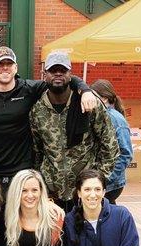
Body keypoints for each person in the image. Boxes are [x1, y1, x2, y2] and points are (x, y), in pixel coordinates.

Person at [0, 46, 97, 194]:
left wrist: (85, 90)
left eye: (9, 64)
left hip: (22, 171)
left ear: (16, 67)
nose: (5, 68)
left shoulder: (29, 89)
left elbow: (61, 79)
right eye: (0, 64)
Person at [30, 51, 119, 212]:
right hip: (52, 193)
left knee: (86, 235)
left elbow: (110, 146)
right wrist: (40, 182)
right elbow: (37, 151)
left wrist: (97, 179)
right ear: (45, 75)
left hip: (84, 191)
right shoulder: (37, 110)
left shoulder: (89, 104)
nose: (58, 74)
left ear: (70, 74)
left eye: (62, 70)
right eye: (53, 70)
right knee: (55, 236)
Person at [90, 79, 133, 204]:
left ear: (104, 98)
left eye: (93, 96)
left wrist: (105, 179)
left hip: (110, 184)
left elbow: (126, 154)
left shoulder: (115, 119)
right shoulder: (99, 116)